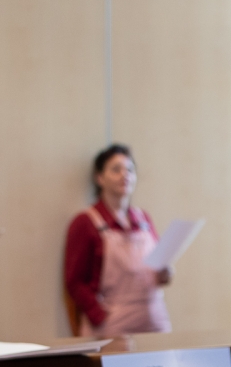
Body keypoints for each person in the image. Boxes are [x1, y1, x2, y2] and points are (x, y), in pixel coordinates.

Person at [64, 144, 171, 338]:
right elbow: (75, 281)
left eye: (130, 169)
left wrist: (164, 274)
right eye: (116, 169)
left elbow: (156, 267)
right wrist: (99, 316)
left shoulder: (143, 219)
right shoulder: (85, 222)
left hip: (153, 318)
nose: (125, 175)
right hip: (113, 323)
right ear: (99, 178)